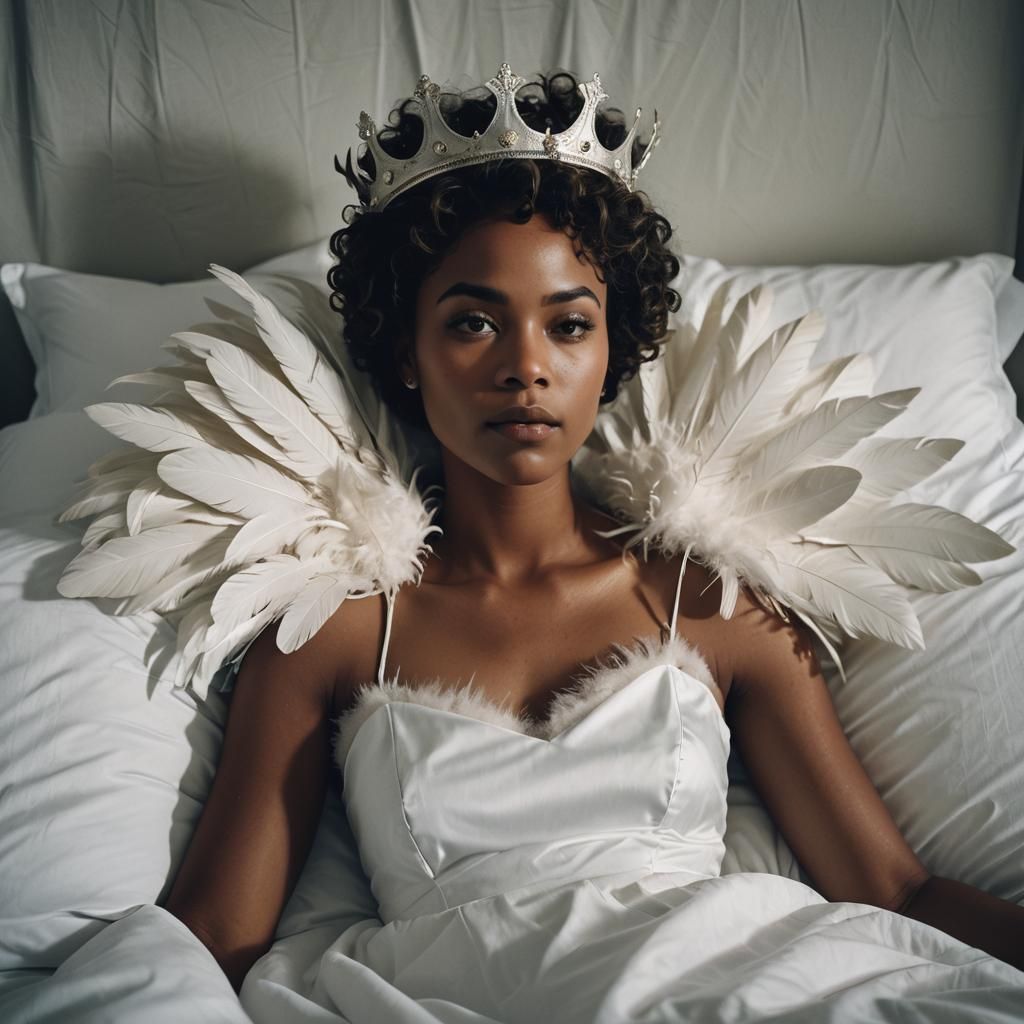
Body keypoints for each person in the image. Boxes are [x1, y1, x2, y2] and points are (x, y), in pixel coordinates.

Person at [144, 65, 1024, 1015]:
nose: (526, 367)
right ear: (407, 350)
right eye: (474, 322)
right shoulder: (340, 629)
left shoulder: (709, 603)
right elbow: (216, 936)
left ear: (612, 353)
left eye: (568, 326)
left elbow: (896, 891)